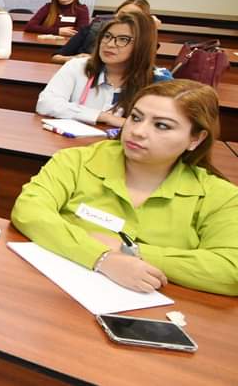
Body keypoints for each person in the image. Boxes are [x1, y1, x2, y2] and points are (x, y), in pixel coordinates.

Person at [13, 80, 238, 296]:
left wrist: (130, 251)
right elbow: (29, 210)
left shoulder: (220, 196)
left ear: (196, 139)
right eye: (136, 117)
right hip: (59, 292)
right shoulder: (77, 160)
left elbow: (230, 269)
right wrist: (101, 258)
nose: (138, 131)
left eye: (161, 125)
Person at [37, 9, 173, 126]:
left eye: (123, 39)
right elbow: (46, 103)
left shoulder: (157, 81)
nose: (110, 44)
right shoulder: (78, 66)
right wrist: (104, 117)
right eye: (107, 36)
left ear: (142, 46)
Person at [51, 0, 158, 64]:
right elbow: (56, 57)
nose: (125, 19)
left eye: (132, 17)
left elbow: (144, 63)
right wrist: (75, 59)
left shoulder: (142, 40)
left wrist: (152, 28)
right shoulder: (93, 28)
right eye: (122, 14)